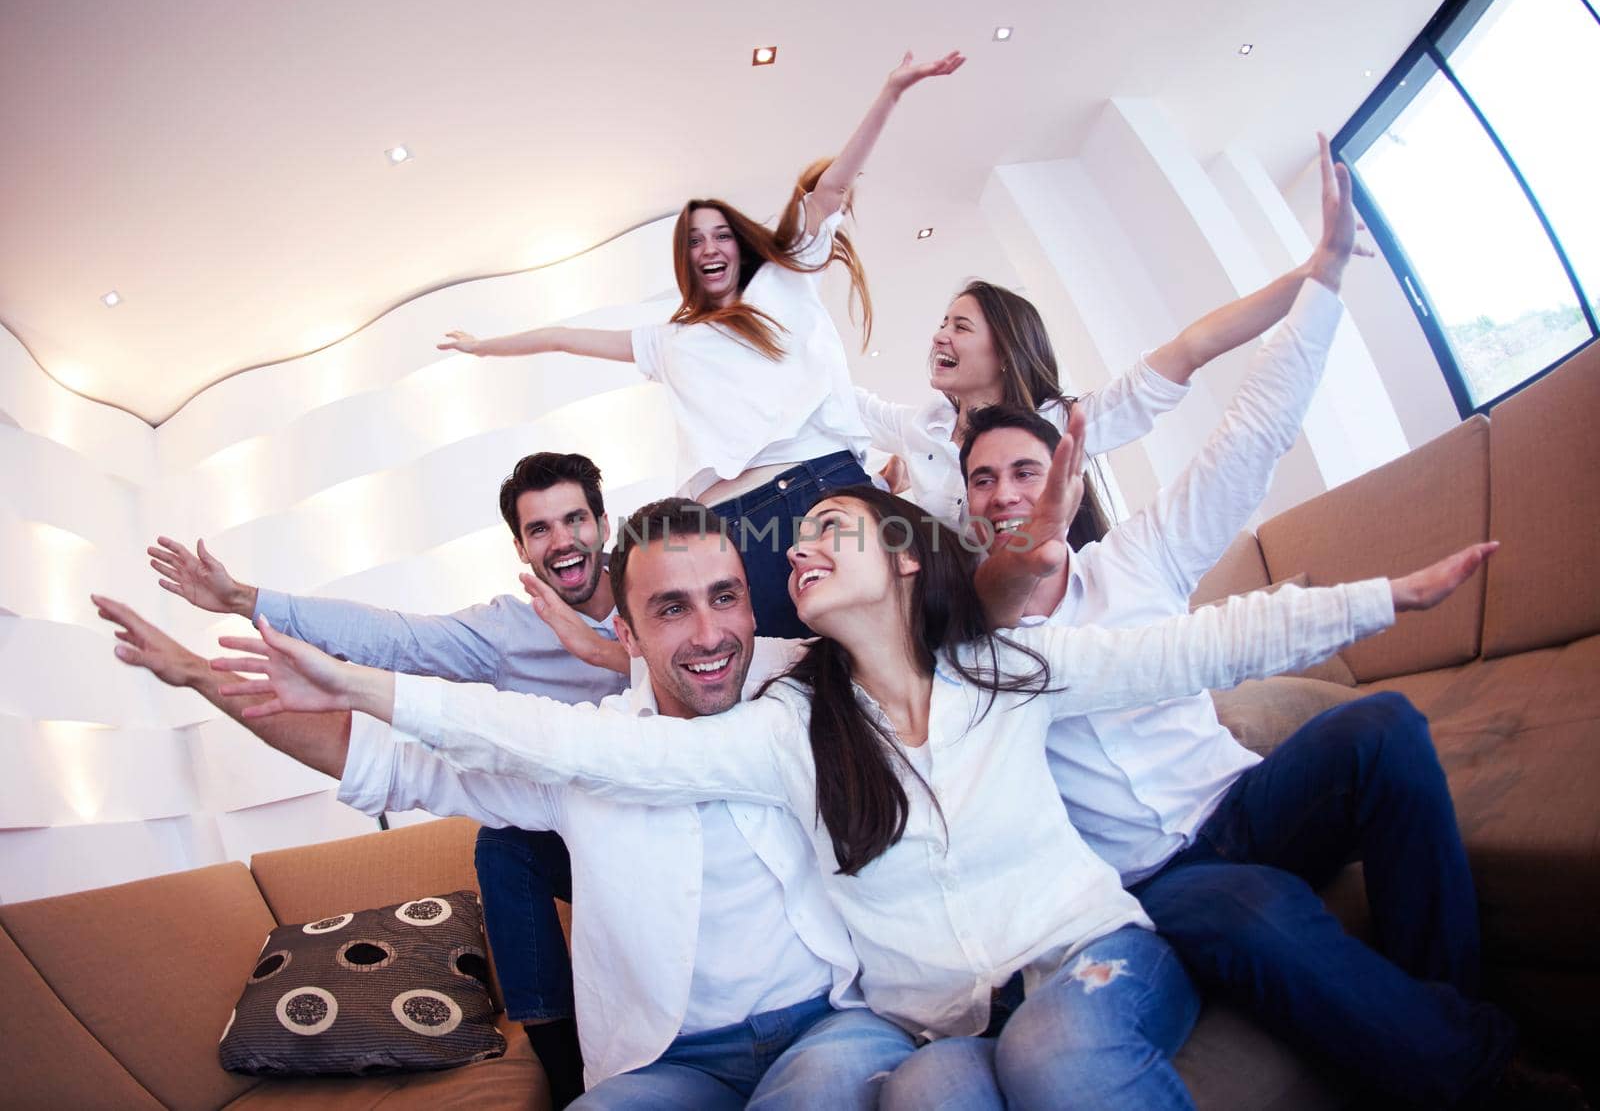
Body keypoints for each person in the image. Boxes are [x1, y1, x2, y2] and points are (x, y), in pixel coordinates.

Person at [210, 484, 1489, 1109]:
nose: (801, 556)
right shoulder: (786, 726)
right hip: (924, 1014)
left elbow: (1191, 647)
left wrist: (1385, 599)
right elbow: (587, 751)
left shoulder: (1006, 672)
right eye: (799, 544)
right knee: (967, 1073)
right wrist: (369, 686)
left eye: (830, 532)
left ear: (900, 558)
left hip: (1087, 952)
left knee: (1057, 1045)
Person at [956, 140, 1541, 1108]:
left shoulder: (1134, 558)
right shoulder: (978, 655)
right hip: (1163, 878)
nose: (1010, 493)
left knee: (1385, 728)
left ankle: (1444, 1023)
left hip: (1250, 801)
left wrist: (1326, 280)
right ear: (970, 510)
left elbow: (1250, 439)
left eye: (1026, 469)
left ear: (1067, 471)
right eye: (985, 481)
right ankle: (1485, 1072)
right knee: (1253, 906)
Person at [94, 532, 918, 1109]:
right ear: (623, 633)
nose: (710, 634)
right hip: (669, 1062)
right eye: (671, 609)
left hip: (825, 1028)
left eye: (725, 597)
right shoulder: (580, 751)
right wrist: (202, 677)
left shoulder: (801, 690)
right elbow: (384, 760)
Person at [146, 450, 625, 1105]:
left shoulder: (655, 595)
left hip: (666, 823)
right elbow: (395, 639)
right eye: (540, 529)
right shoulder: (507, 635)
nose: (562, 539)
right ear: (520, 546)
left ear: (603, 522)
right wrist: (241, 600)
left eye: (575, 519)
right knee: (504, 845)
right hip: (574, 830)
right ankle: (565, 1073)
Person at [436, 50, 965, 638]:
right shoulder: (668, 341)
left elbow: (829, 189)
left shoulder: (783, 281)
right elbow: (563, 338)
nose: (709, 247)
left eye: (720, 234)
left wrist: (891, 91)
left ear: (740, 244)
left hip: (818, 493)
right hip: (732, 527)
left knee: (907, 643)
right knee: (787, 688)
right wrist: (484, 346)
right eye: (693, 240)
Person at [855, 132, 1374, 532]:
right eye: (942, 324)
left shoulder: (1060, 422)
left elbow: (1190, 348)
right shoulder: (921, 427)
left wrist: (1310, 275)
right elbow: (844, 395)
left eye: (960, 327)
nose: (938, 337)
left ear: (1006, 352)